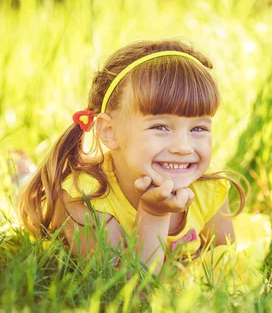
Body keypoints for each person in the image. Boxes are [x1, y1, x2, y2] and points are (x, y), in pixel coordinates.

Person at [19, 40, 246, 274]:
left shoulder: (208, 189)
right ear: (109, 132)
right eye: (160, 127)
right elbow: (129, 291)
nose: (183, 147)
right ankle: (21, 173)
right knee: (31, 189)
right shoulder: (87, 203)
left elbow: (223, 263)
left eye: (198, 129)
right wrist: (153, 214)